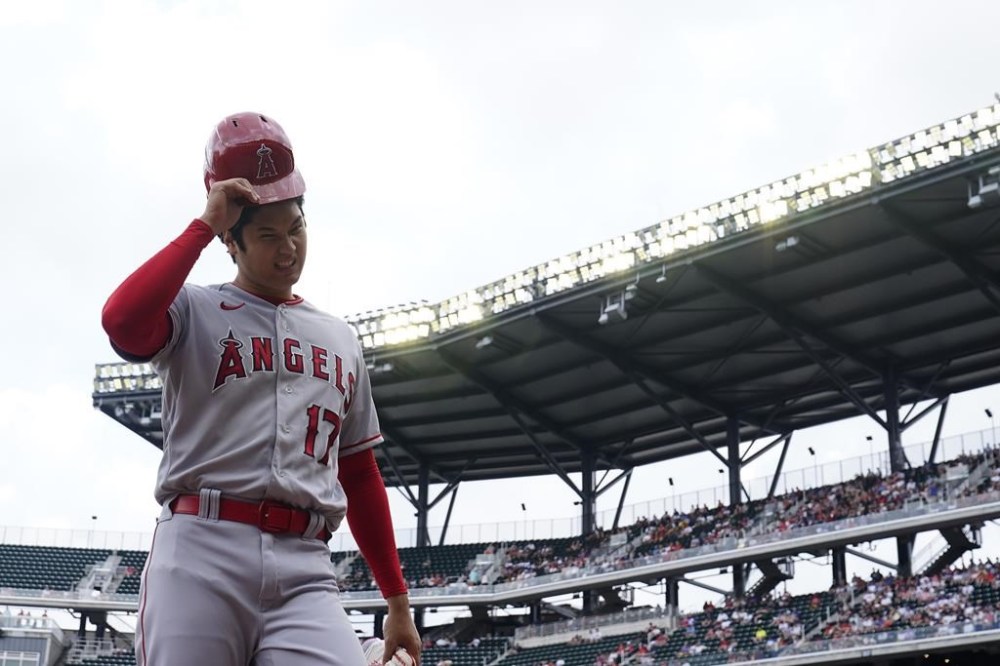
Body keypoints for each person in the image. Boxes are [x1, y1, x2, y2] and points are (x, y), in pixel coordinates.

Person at [102, 112, 421, 666]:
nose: (287, 248)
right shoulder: (193, 309)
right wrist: (201, 225)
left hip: (305, 563)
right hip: (202, 549)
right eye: (267, 236)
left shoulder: (340, 337)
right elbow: (122, 321)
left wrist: (397, 601)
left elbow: (359, 471)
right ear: (232, 240)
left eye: (295, 228)